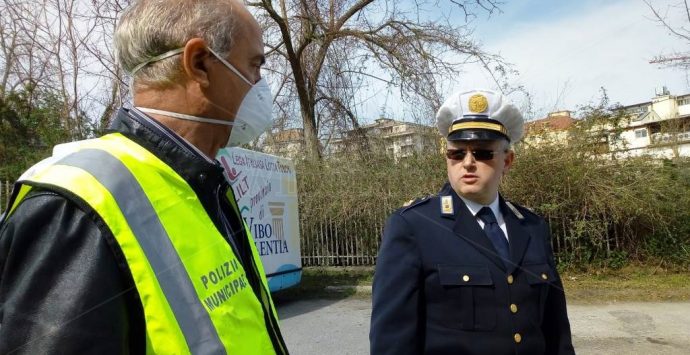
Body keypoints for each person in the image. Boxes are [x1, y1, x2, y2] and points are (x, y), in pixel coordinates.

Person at [0, 0, 288, 354]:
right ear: (199, 64)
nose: (260, 84)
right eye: (254, 65)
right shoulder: (76, 205)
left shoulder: (202, 182)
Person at [370, 89, 575, 355]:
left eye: (482, 153)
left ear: (508, 160)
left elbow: (556, 330)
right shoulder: (415, 226)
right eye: (456, 154)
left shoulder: (531, 226)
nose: (467, 163)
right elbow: (391, 342)